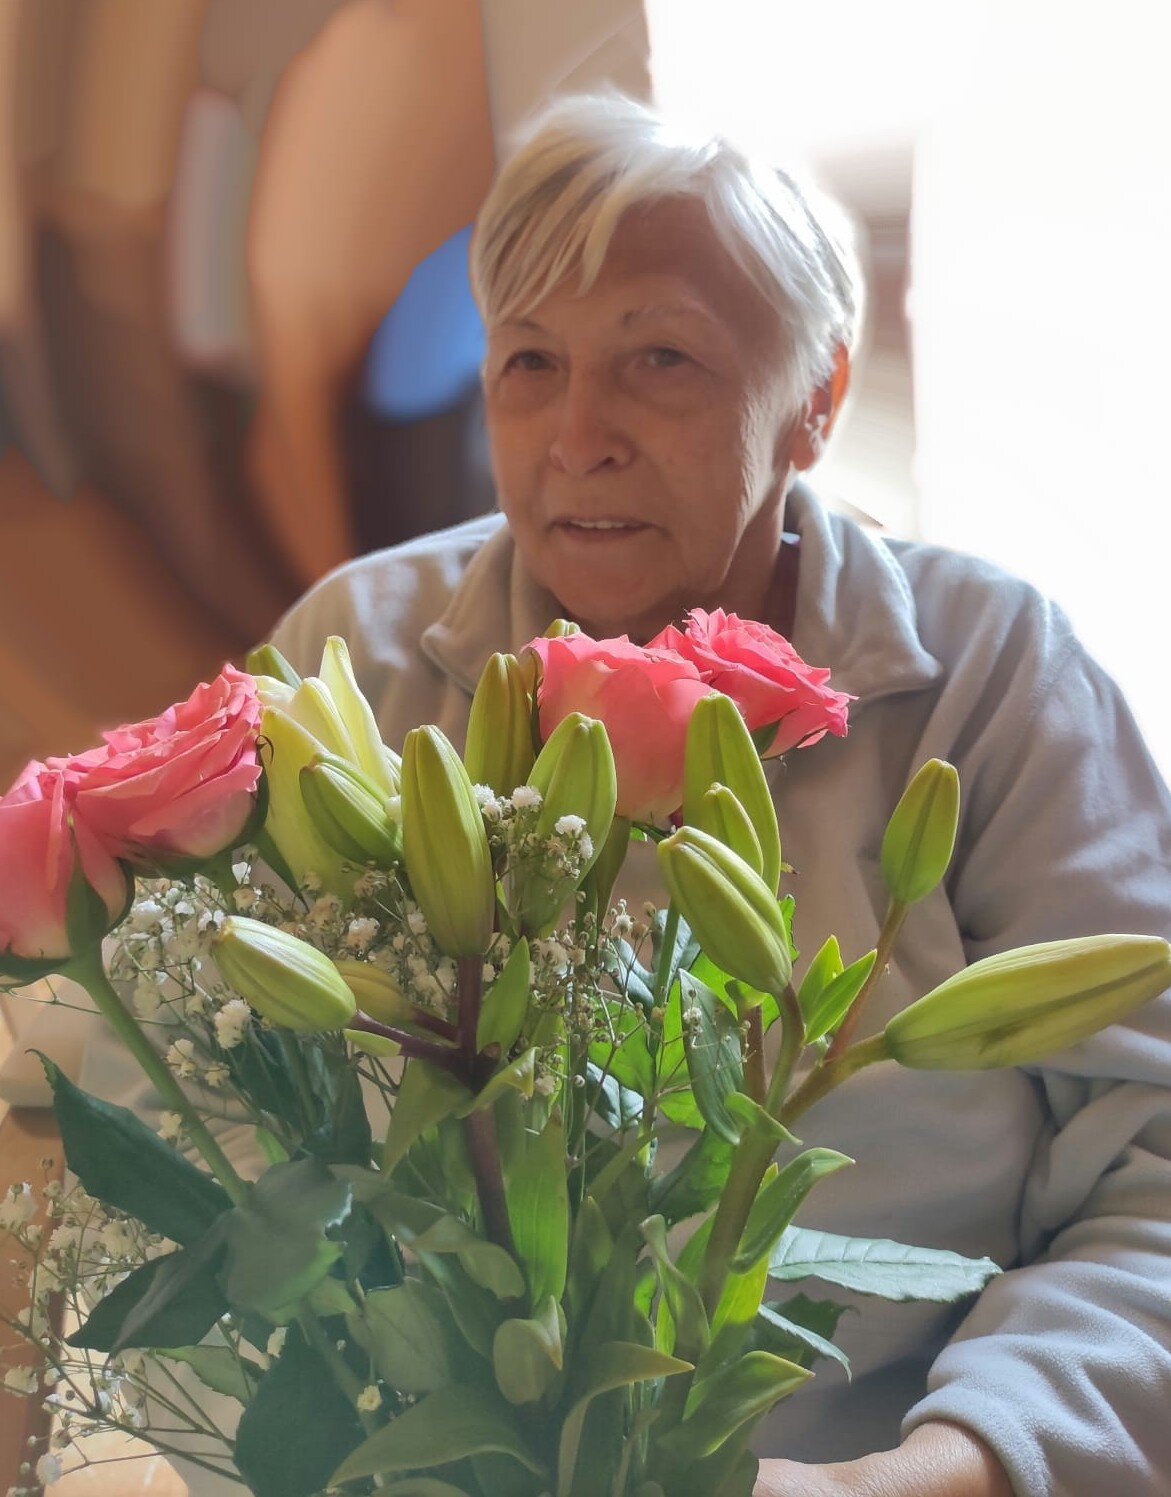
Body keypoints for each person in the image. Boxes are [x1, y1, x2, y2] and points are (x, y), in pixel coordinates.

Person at [263, 94, 1171, 1497]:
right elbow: (208, 1104)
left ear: (817, 399)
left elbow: (1154, 1179)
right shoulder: (358, 657)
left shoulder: (992, 677)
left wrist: (930, 1475)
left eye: (661, 358)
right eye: (529, 361)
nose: (578, 436)